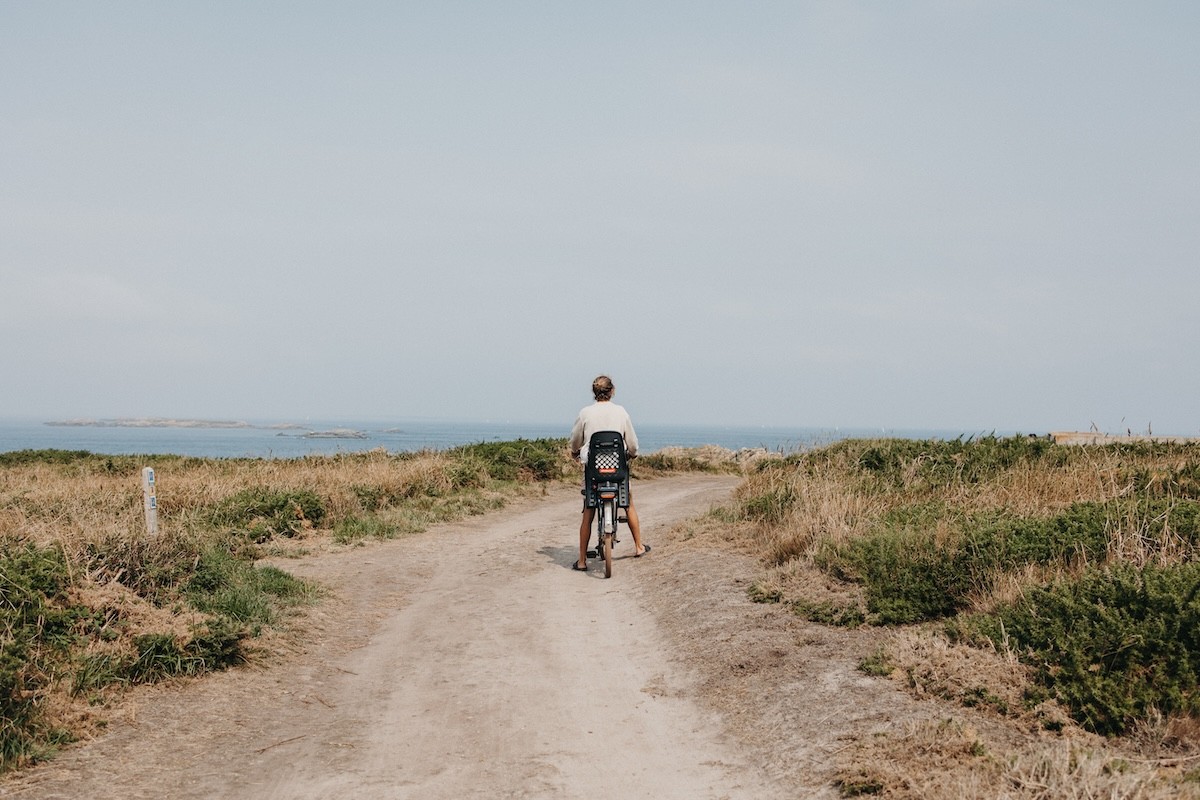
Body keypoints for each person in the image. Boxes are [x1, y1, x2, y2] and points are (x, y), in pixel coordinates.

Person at [568, 375, 649, 570]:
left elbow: (575, 441)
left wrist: (574, 452)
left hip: (593, 470)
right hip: (617, 468)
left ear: (594, 392)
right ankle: (638, 547)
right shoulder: (621, 412)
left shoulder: (585, 413)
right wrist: (632, 454)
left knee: (588, 511)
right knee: (628, 503)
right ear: (612, 391)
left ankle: (582, 561)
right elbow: (633, 444)